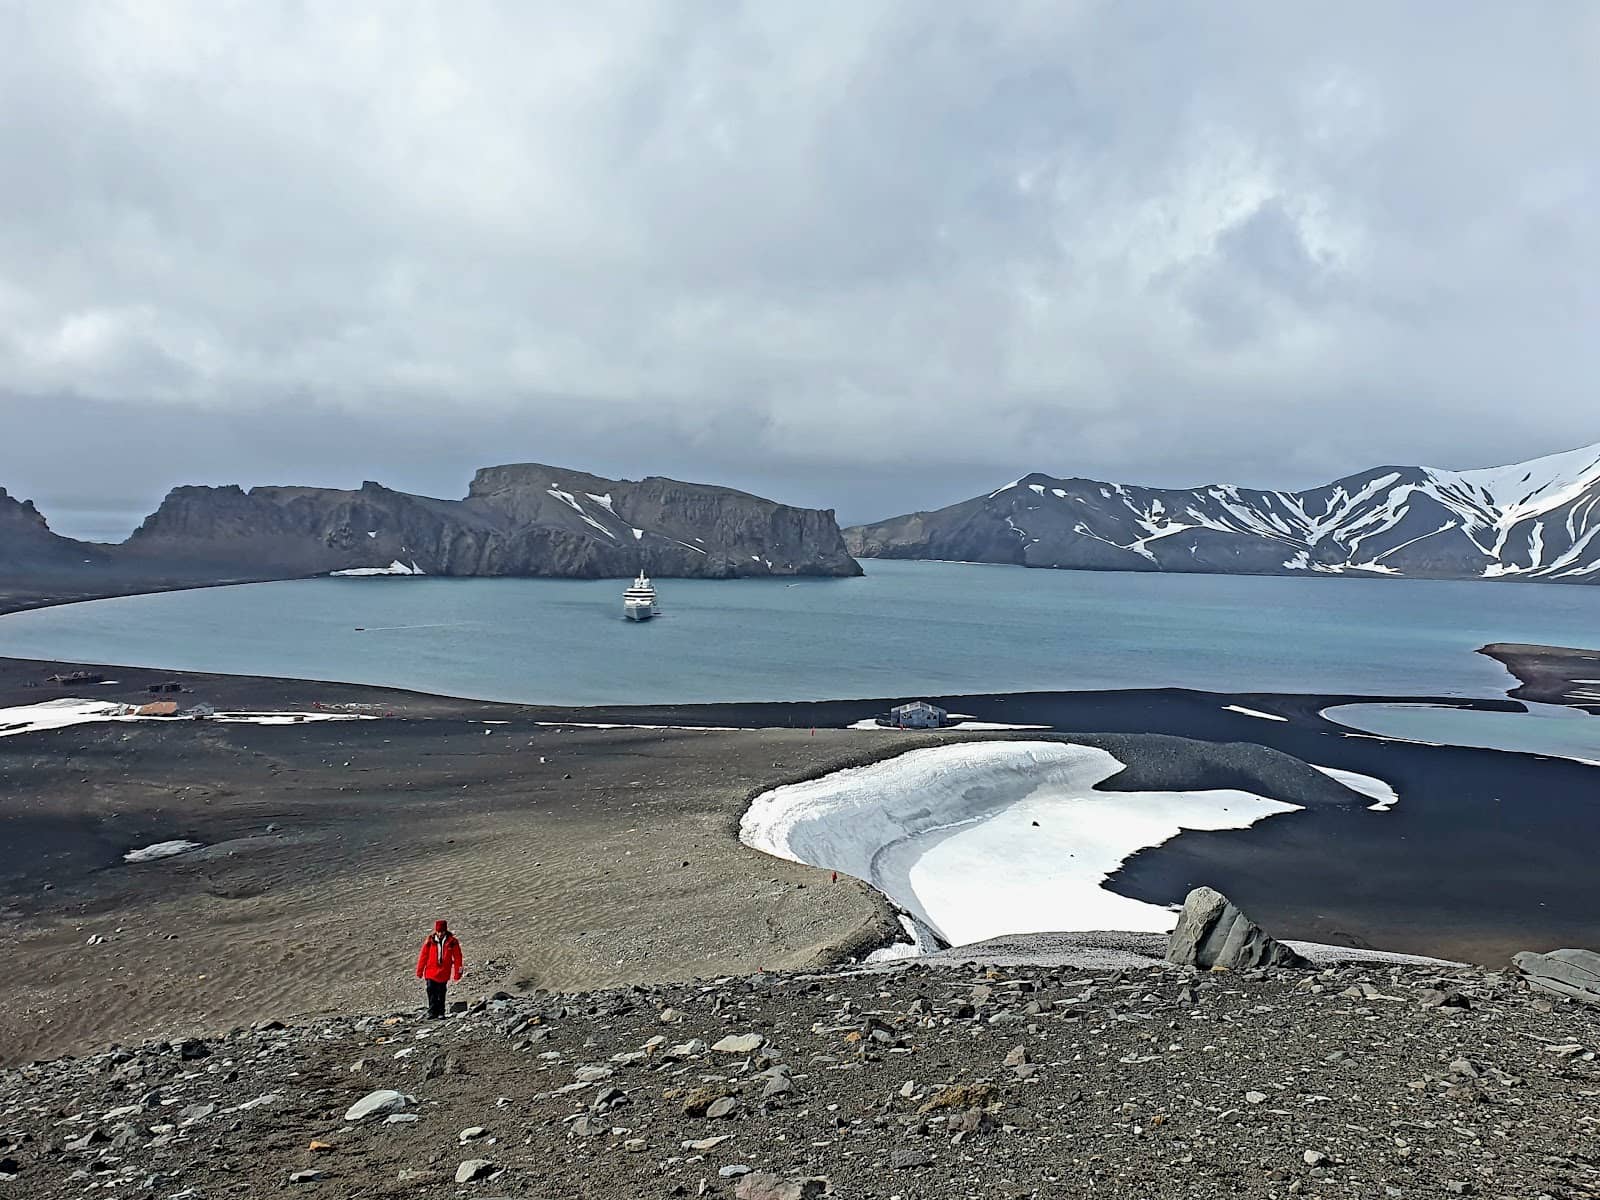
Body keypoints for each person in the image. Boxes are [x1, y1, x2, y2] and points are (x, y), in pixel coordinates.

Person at [415, 919, 463, 1018]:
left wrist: (458, 972)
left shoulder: (452, 942)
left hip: (444, 972)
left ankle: (441, 1012)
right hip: (430, 971)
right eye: (438, 931)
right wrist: (419, 971)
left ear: (445, 931)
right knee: (430, 989)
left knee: (441, 991)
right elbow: (423, 956)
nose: (440, 934)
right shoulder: (430, 941)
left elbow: (458, 957)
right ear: (436, 931)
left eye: (442, 931)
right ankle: (432, 1011)